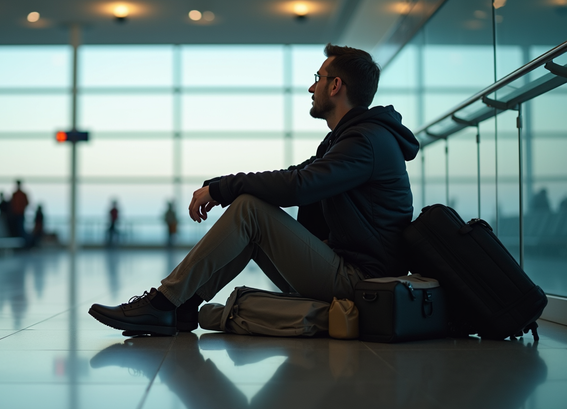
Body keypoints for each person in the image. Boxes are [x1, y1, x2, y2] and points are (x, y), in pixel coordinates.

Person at [89, 44, 419, 336]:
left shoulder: (365, 141)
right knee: (250, 212)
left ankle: (164, 302)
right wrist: (221, 186)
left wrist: (221, 190)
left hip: (362, 284)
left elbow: (299, 186)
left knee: (249, 209)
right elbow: (297, 174)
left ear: (335, 86)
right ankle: (181, 306)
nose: (310, 86)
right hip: (348, 269)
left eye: (318, 77)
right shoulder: (350, 139)